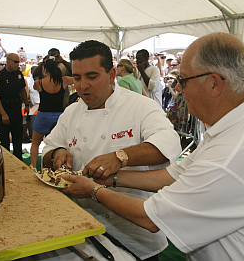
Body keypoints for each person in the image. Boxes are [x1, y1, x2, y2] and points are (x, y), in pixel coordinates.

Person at [60, 33, 244, 261]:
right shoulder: (240, 124)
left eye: (184, 79)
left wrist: (93, 189)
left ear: (214, 83)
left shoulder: (236, 149)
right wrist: (109, 178)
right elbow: (174, 175)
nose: (179, 89)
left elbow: (150, 218)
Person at [41, 40, 181, 261]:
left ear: (111, 74)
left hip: (136, 232)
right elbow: (48, 149)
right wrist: (58, 152)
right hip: (86, 230)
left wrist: (121, 156)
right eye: (77, 78)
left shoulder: (139, 106)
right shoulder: (71, 112)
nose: (82, 85)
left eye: (92, 76)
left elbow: (169, 143)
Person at [29, 59, 73, 171]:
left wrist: (42, 64)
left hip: (43, 115)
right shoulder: (64, 80)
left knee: (35, 143)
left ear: (45, 69)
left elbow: (34, 77)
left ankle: (33, 167)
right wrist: (63, 61)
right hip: (59, 115)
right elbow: (77, 77)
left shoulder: (39, 83)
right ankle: (59, 167)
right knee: (59, 144)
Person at [0, 53, 29, 160]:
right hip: (4, 109)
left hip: (16, 109)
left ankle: (19, 160)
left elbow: (23, 89)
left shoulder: (18, 74)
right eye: (15, 62)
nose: (18, 64)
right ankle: (6, 161)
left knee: (18, 137)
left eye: (18, 62)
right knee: (4, 140)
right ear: (8, 61)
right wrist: (3, 114)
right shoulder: (0, 76)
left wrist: (26, 104)